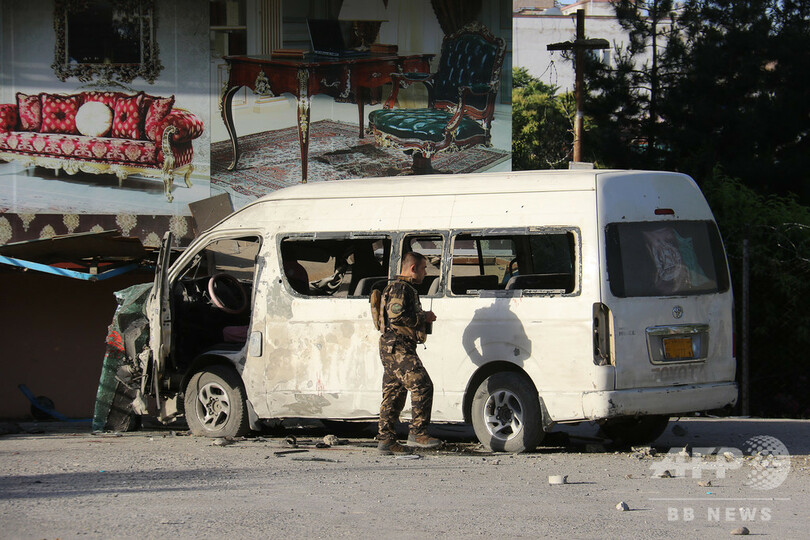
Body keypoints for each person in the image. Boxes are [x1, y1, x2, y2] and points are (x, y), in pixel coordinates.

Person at [377, 251, 441, 454]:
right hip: (397, 346)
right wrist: (423, 318)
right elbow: (396, 317)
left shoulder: (403, 288)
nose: (424, 273)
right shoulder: (400, 288)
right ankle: (418, 433)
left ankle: (386, 440)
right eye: (423, 269)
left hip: (394, 346)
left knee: (394, 393)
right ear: (413, 268)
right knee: (422, 385)